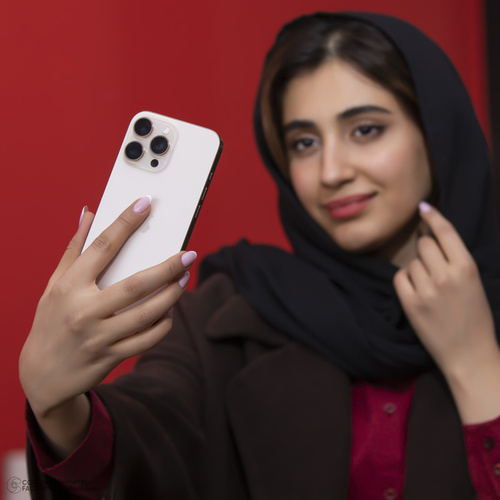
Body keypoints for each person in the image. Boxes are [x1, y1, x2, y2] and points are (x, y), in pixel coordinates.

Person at [20, 11, 500, 500]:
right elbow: (141, 452)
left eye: (365, 130)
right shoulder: (230, 316)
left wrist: (478, 366)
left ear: (437, 132)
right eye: (304, 142)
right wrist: (57, 408)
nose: (331, 171)